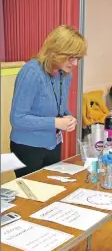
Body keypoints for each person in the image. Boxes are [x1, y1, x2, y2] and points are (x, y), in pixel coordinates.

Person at [10, 25, 87, 178]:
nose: (75, 63)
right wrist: (56, 123)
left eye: (78, 58)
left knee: (52, 193)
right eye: (71, 57)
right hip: (27, 147)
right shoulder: (31, 72)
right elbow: (17, 119)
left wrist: (68, 117)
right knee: (32, 198)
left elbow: (59, 108)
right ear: (56, 51)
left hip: (53, 143)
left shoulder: (64, 74)